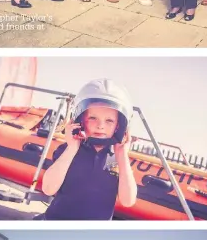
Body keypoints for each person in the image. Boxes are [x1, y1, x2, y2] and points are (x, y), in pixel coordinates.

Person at [41, 78, 138, 220]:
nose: (100, 126)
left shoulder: (119, 160)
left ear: (119, 125)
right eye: (93, 118)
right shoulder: (67, 150)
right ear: (80, 120)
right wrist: (71, 149)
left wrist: (122, 156)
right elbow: (48, 189)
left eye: (109, 120)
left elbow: (128, 201)